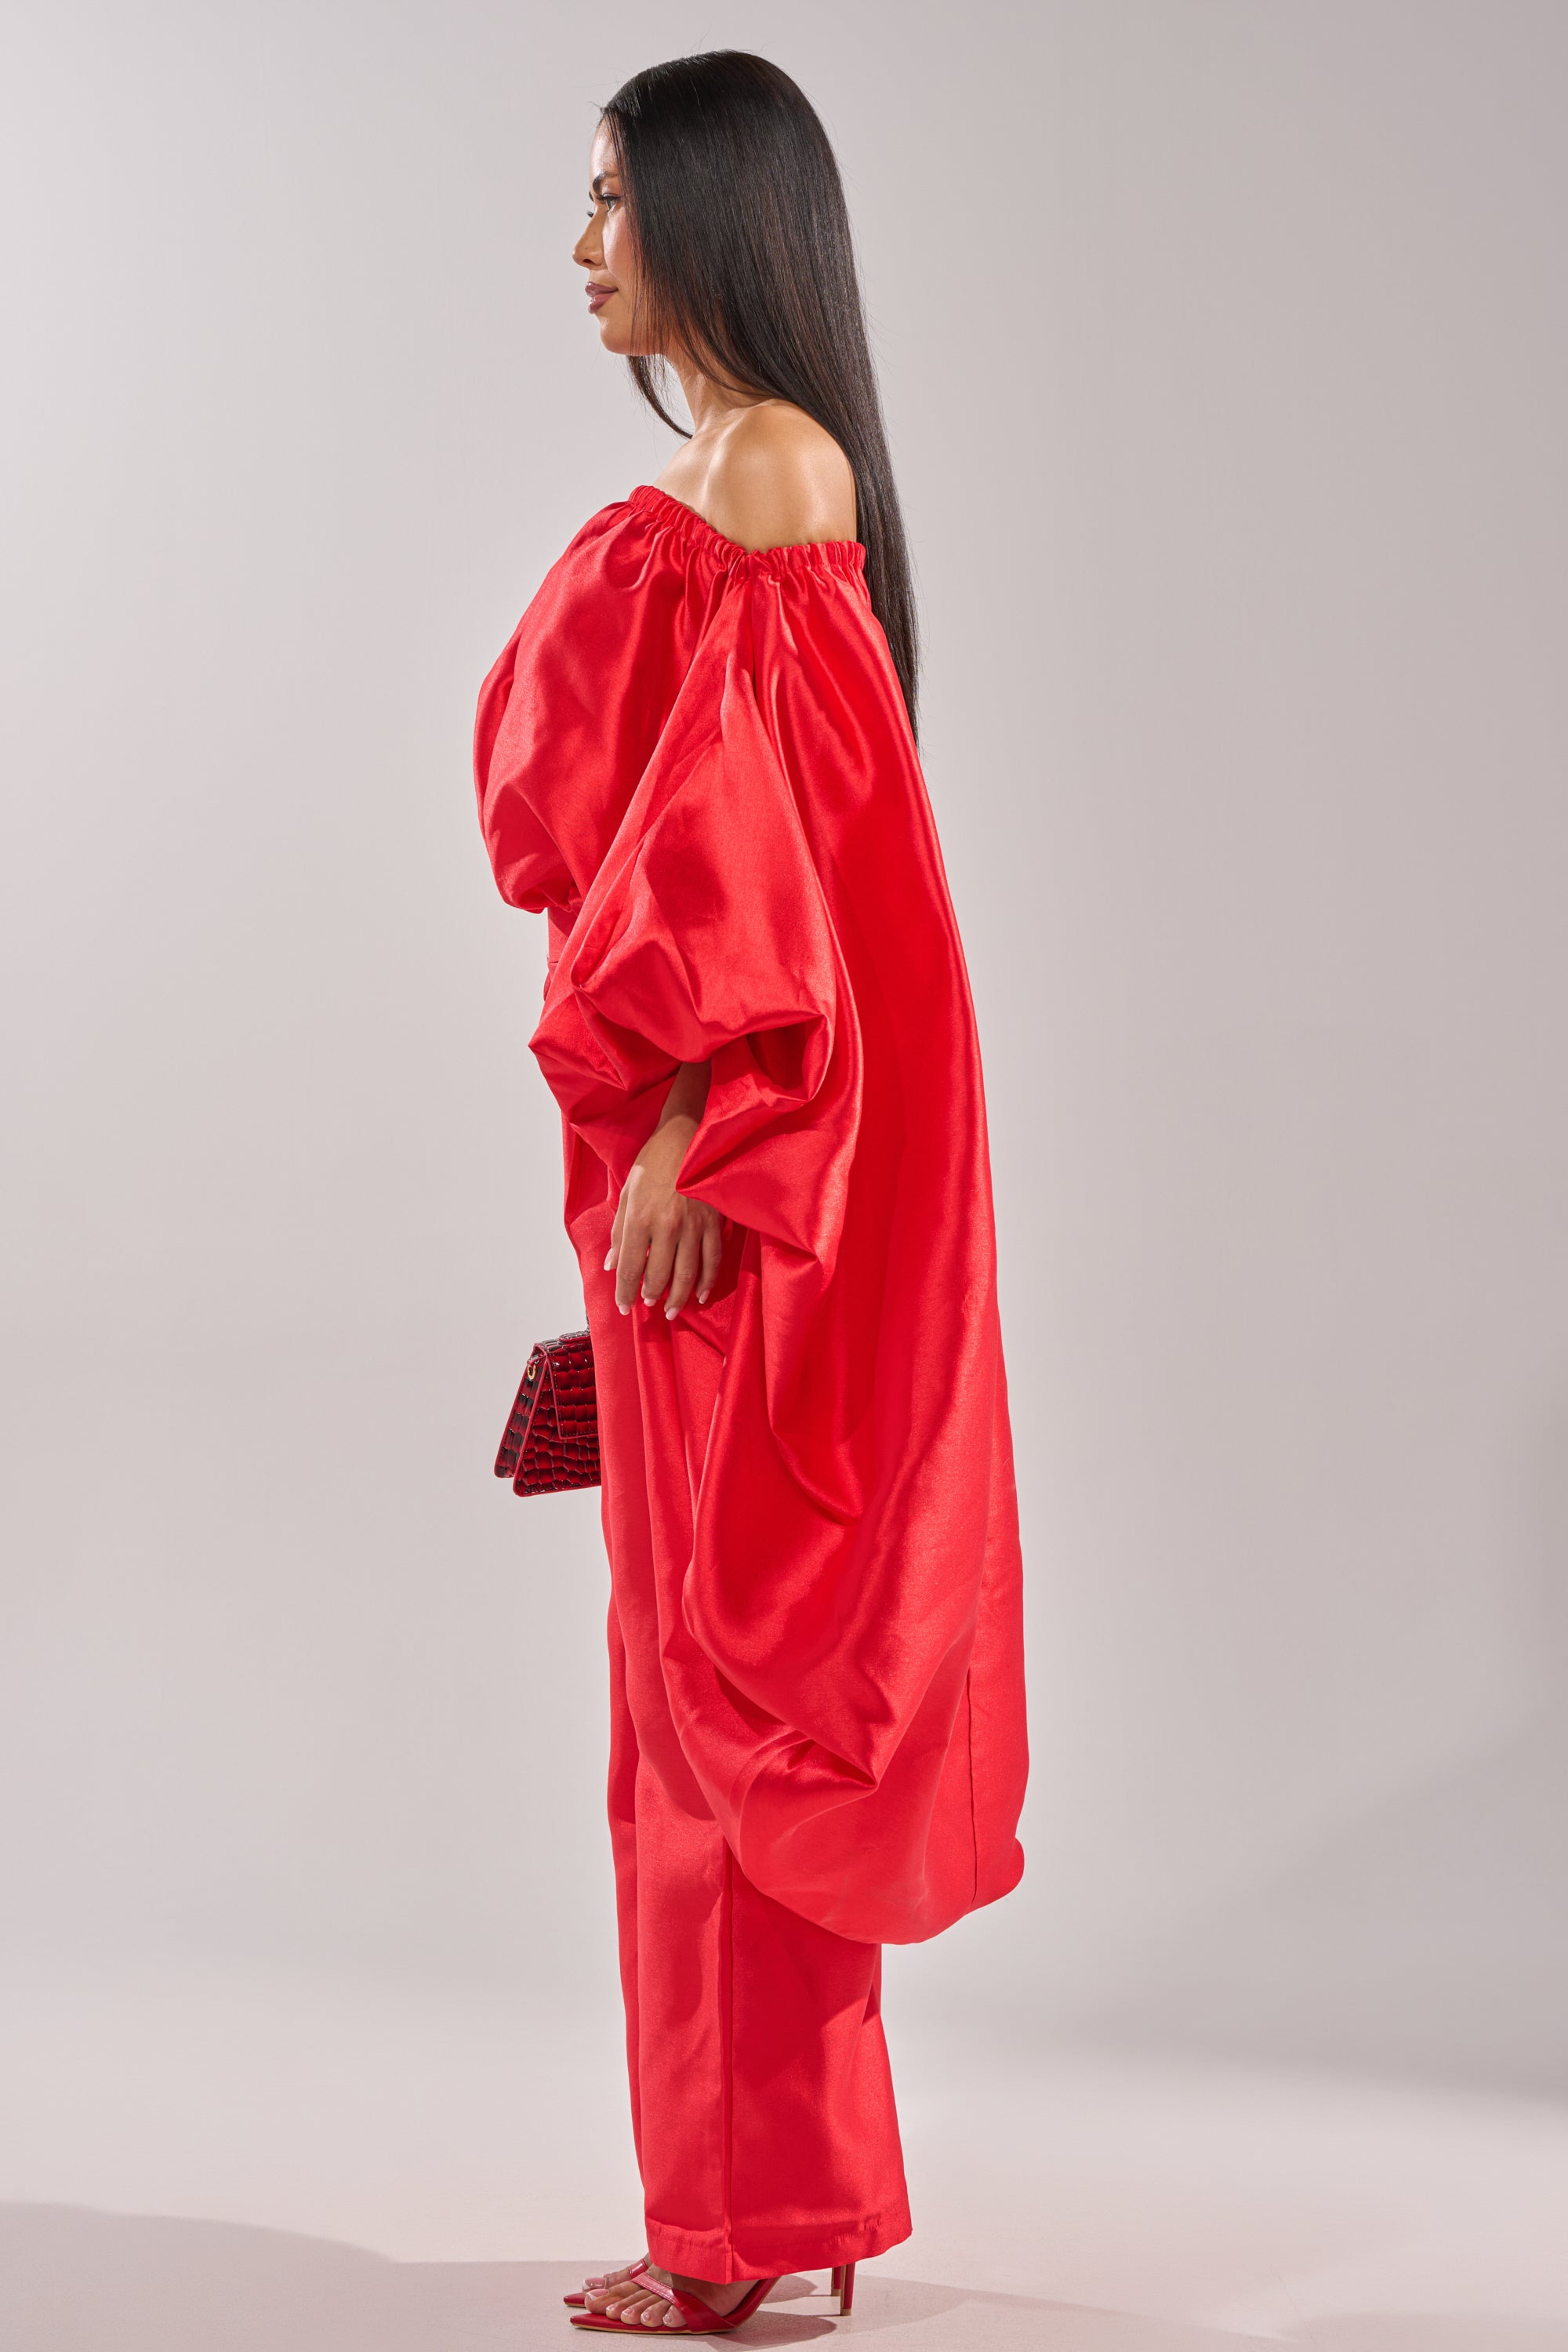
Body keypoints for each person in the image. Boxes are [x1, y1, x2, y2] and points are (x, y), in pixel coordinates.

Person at [474, 49, 1028, 2337]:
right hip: (682, 1155)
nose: (583, 242)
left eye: (613, 197)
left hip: (729, 1181)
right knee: (684, 1693)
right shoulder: (734, 477)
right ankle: (765, 2209)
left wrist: (703, 1140)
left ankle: (738, 2235)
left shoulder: (773, 469)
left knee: (725, 1701)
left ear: (714, 212)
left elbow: (769, 864)